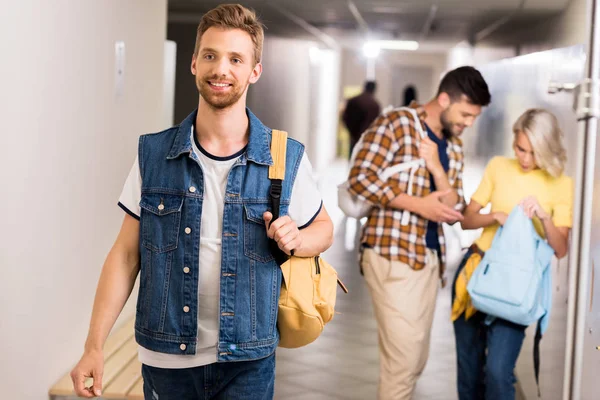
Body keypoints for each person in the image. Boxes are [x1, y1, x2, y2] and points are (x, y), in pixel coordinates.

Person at [69, 4, 333, 399]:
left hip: (247, 359)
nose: (220, 69)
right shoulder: (154, 155)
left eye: (235, 59)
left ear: (254, 71)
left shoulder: (284, 155)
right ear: (194, 63)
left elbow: (324, 228)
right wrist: (94, 345)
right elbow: (125, 256)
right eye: (210, 55)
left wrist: (298, 238)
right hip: (167, 360)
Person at [347, 66, 491, 400]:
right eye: (466, 114)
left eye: (474, 117)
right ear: (444, 99)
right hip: (391, 252)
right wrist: (418, 204)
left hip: (430, 259)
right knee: (403, 361)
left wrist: (438, 170)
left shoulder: (453, 145)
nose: (469, 123)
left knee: (417, 360)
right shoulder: (396, 124)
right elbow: (360, 178)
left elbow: (454, 204)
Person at [452, 108, 573, 400]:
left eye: (534, 152)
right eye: (520, 149)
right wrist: (496, 216)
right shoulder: (498, 167)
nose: (525, 159)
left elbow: (561, 248)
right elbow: (467, 220)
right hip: (477, 273)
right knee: (469, 372)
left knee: (497, 372)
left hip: (517, 287)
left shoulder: (561, 183)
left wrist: (543, 217)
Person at [342, 81, 381, 158]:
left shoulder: (353, 100)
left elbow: (345, 118)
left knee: (352, 161)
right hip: (368, 139)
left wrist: (351, 132)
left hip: (354, 137)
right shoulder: (375, 104)